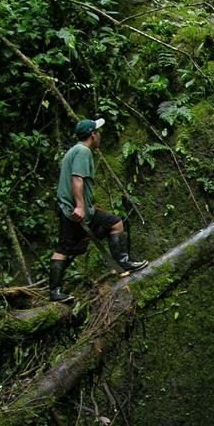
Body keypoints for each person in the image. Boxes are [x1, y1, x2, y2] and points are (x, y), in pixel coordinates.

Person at [48, 117, 148, 302]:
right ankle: (55, 292)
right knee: (63, 249)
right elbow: (77, 179)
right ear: (93, 135)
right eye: (98, 132)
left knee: (114, 223)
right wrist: (79, 205)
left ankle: (123, 263)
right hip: (73, 211)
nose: (99, 135)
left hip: (75, 209)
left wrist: (87, 204)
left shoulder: (75, 150)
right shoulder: (83, 151)